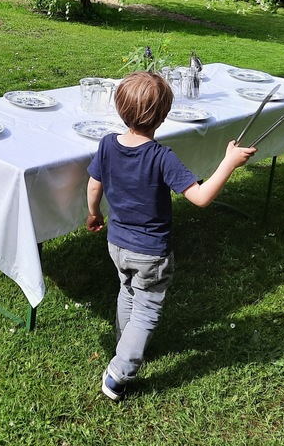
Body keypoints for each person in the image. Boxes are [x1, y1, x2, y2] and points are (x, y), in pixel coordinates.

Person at [86, 70, 257, 402]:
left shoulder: (107, 144)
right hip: (150, 253)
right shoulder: (162, 157)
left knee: (127, 292)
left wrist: (93, 214)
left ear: (120, 108)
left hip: (117, 244)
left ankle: (126, 342)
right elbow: (201, 197)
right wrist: (229, 162)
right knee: (147, 308)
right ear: (163, 116)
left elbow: (94, 185)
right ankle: (119, 372)